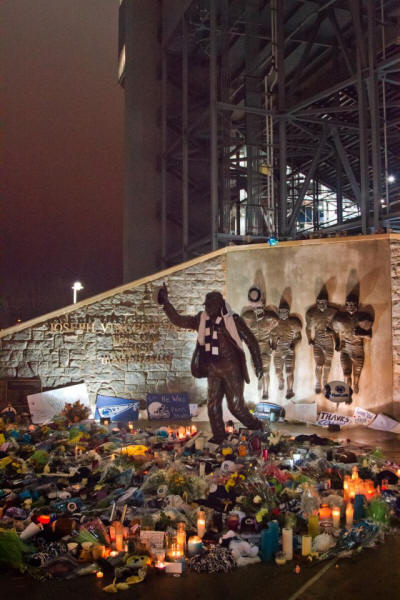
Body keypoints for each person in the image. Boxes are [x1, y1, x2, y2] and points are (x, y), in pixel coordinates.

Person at [157, 285, 264, 443]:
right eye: (206, 306)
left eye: (210, 306)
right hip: (213, 369)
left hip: (231, 370)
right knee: (212, 406)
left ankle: (257, 427)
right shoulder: (202, 320)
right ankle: (220, 436)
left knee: (236, 407)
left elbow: (250, 340)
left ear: (219, 304)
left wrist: (258, 363)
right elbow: (180, 320)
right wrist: (166, 303)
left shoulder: (232, 321)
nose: (208, 309)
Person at [241, 286, 279, 399]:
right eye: (256, 306)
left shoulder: (271, 318)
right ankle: (260, 379)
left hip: (265, 347)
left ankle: (266, 391)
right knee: (256, 368)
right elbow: (241, 329)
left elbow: (276, 331)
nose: (258, 309)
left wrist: (274, 344)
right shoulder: (247, 317)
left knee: (266, 370)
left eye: (260, 307)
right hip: (253, 347)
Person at [332, 296, 373, 393]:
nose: (351, 307)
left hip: (358, 349)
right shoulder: (340, 318)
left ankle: (355, 384)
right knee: (346, 373)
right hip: (345, 349)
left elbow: (369, 336)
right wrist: (337, 343)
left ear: (357, 306)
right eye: (349, 304)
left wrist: (360, 334)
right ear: (346, 305)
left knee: (356, 373)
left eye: (353, 305)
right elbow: (334, 331)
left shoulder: (363, 317)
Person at [305, 295, 338, 394]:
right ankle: (318, 382)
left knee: (327, 365)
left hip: (328, 341)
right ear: (317, 303)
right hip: (318, 341)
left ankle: (325, 381)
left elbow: (337, 329)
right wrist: (309, 339)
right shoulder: (312, 313)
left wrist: (337, 341)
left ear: (327, 302)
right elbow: (308, 328)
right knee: (319, 365)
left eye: (323, 302)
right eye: (319, 302)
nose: (321, 305)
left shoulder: (333, 313)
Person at [271, 303, 302, 399]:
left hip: (289, 350)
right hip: (278, 351)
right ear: (279, 312)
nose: (283, 313)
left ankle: (290, 390)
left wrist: (294, 344)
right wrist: (273, 345)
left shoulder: (293, 323)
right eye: (281, 311)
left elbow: (298, 337)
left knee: (289, 371)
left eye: (285, 312)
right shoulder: (275, 323)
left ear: (288, 312)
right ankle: (281, 380)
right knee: (277, 371)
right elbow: (272, 337)